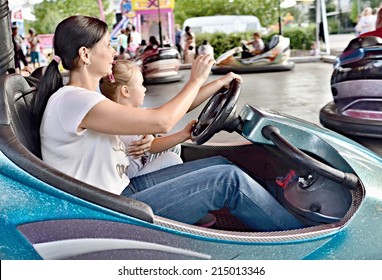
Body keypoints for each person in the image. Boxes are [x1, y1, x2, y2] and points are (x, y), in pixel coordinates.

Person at [32, 15, 304, 231]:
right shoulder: (74, 100)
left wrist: (216, 84)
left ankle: (278, 209)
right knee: (228, 180)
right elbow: (162, 121)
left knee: (220, 164)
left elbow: (167, 111)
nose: (113, 52)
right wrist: (195, 79)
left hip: (120, 192)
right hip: (107, 212)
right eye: (107, 45)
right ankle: (302, 236)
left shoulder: (89, 99)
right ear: (85, 54)